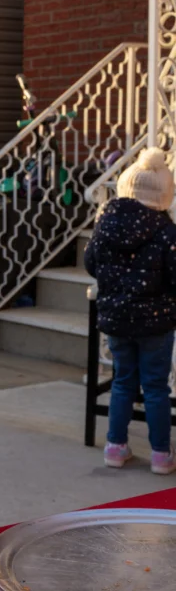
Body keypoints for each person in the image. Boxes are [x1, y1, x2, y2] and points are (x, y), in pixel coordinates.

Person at [85, 147, 176, 475]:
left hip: (117, 320)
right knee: (155, 386)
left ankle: (115, 446)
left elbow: (91, 264)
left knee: (122, 380)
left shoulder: (106, 223)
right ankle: (161, 455)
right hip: (156, 322)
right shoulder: (166, 232)